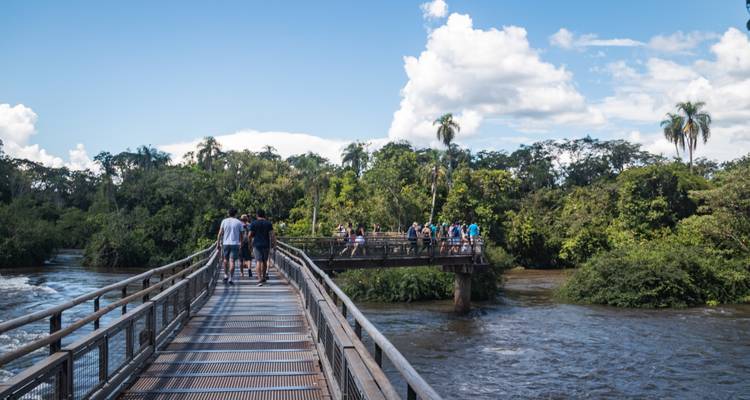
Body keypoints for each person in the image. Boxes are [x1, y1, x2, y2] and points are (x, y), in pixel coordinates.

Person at [248, 209, 276, 286]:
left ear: (257, 215)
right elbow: (272, 235)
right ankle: (263, 277)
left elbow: (249, 235)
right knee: (264, 261)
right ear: (264, 215)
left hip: (256, 245)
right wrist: (274, 245)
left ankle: (259, 279)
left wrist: (249, 244)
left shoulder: (254, 223)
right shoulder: (268, 223)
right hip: (266, 245)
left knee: (258, 261)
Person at [217, 207, 243, 285]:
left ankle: (225, 275)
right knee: (232, 261)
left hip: (225, 243)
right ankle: (231, 278)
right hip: (235, 244)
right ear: (235, 214)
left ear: (228, 213)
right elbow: (241, 235)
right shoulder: (239, 222)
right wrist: (241, 243)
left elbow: (220, 233)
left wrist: (218, 243)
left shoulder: (224, 221)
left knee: (225, 260)